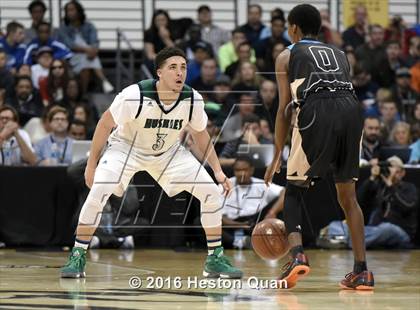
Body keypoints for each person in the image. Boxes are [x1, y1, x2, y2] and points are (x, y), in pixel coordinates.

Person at [60, 47, 242, 279]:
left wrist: (217, 171)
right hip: (126, 148)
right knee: (99, 190)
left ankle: (215, 258)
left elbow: (201, 134)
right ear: (159, 73)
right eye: (173, 67)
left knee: (212, 193)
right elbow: (104, 125)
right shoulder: (133, 95)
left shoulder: (192, 99)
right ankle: (78, 255)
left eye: (183, 67)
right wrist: (91, 164)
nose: (180, 73)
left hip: (168, 153)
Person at [264, 4, 374, 290]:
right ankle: (362, 271)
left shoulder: (287, 54)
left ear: (294, 28)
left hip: (317, 110)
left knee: (294, 189)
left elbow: (283, 110)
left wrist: (277, 154)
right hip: (352, 111)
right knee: (348, 196)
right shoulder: (339, 53)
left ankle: (297, 255)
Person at [326, 156, 418, 249]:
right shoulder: (379, 185)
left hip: (399, 231)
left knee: (386, 228)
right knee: (336, 225)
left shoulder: (409, 188)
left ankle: (347, 241)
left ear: (402, 172)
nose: (389, 169)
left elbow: (407, 206)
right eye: (386, 166)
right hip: (372, 230)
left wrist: (391, 186)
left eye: (392, 167)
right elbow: (357, 201)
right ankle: (350, 241)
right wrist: (372, 178)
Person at [221, 156, 285, 249]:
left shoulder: (261, 184)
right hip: (231, 224)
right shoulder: (225, 186)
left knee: (284, 202)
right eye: (238, 170)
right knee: (203, 221)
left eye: (245, 170)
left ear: (251, 170)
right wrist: (241, 225)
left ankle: (272, 241)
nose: (241, 173)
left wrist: (272, 212)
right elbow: (220, 217)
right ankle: (238, 242)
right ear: (233, 171)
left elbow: (284, 192)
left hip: (256, 222)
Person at [57, 0, 113, 94]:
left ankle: (83, 94)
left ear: (79, 11)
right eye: (67, 10)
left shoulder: (89, 26)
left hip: (87, 55)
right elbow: (69, 45)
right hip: (72, 55)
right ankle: (103, 80)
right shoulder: (63, 28)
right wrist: (88, 50)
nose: (69, 13)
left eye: (72, 10)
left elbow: (94, 42)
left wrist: (93, 51)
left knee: (86, 63)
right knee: (88, 60)